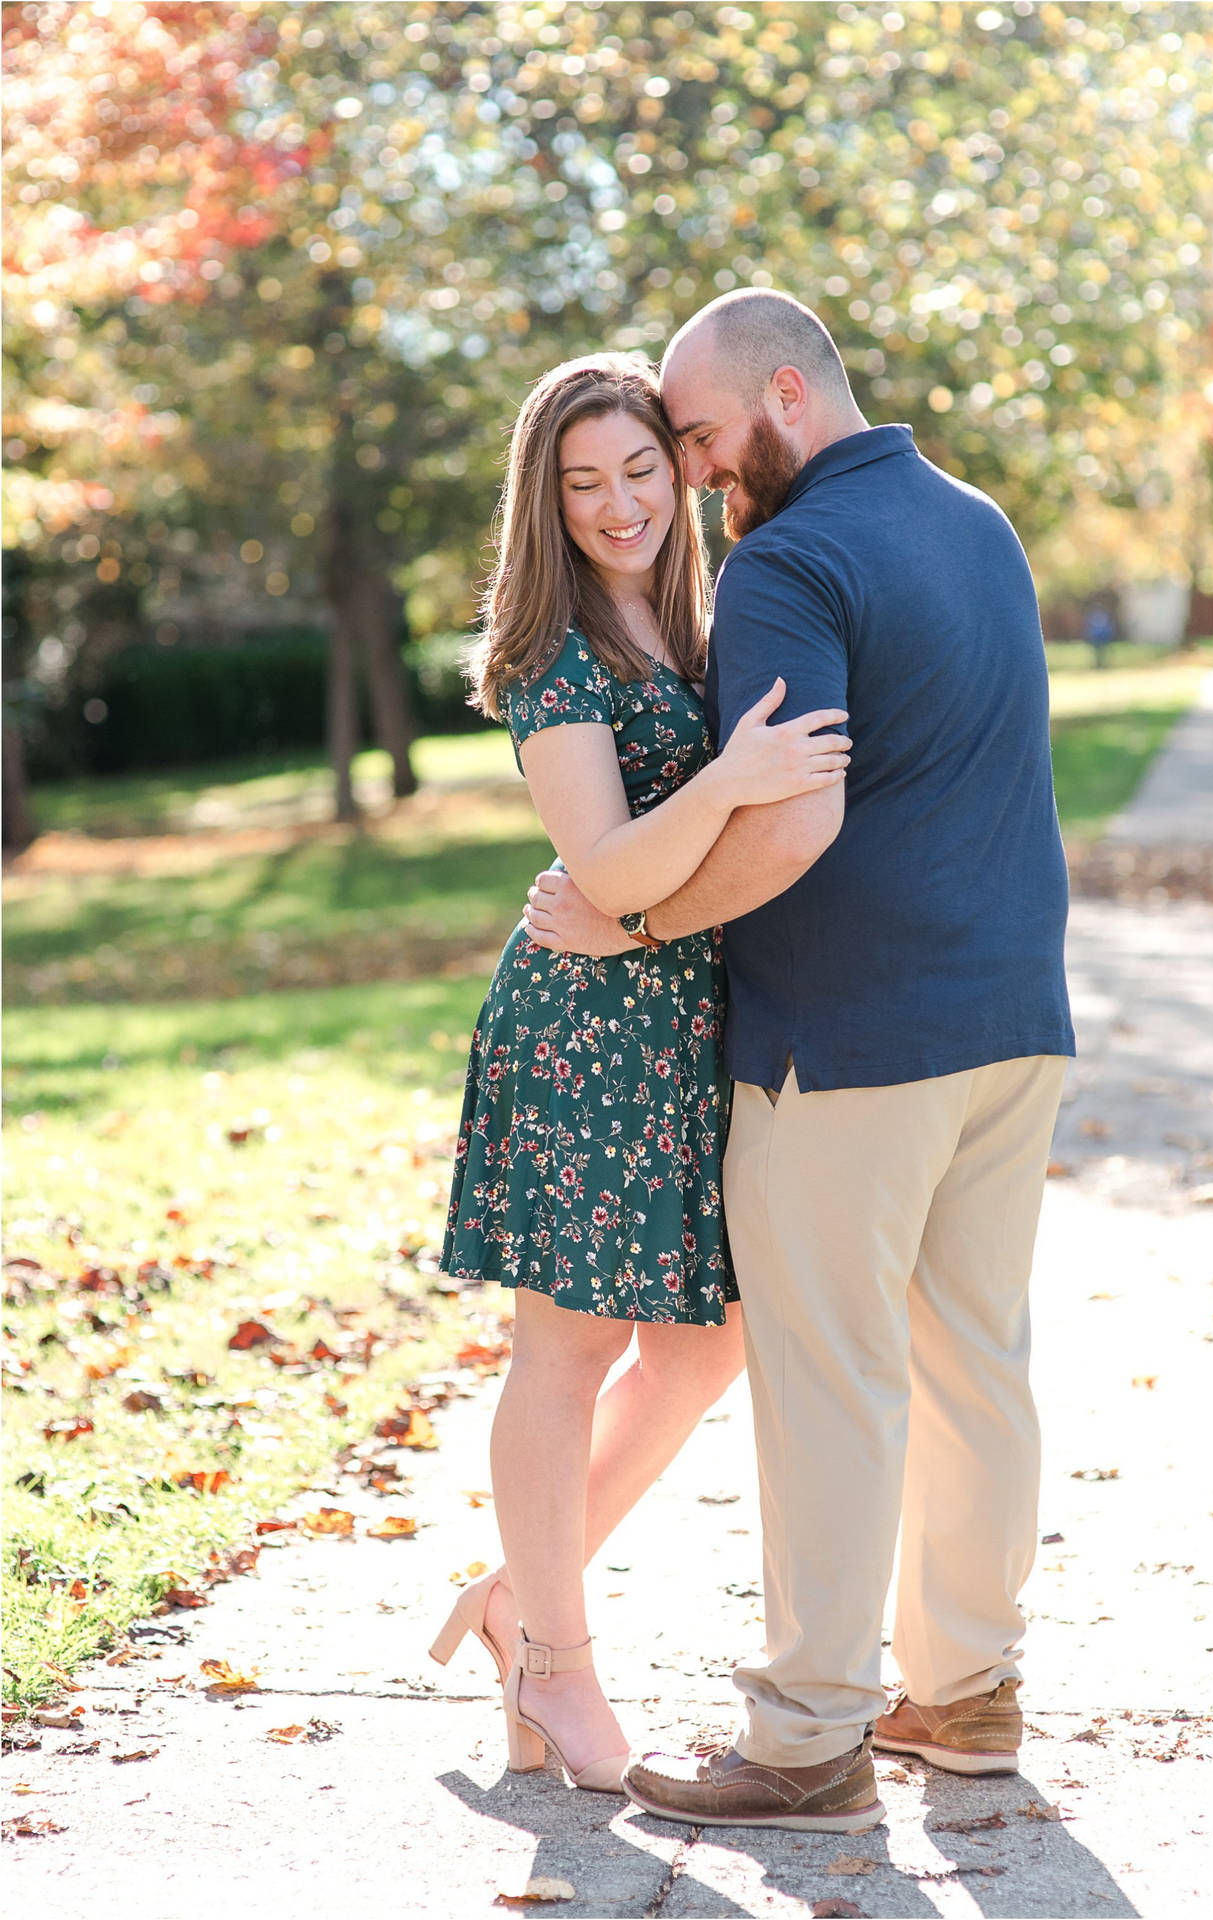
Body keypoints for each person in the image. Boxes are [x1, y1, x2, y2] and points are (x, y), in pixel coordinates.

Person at [522, 290, 1075, 1834]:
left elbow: (794, 819)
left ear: (783, 395)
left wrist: (633, 931)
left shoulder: (788, 562)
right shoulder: (979, 522)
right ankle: (967, 1696)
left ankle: (810, 1739)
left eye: (698, 438)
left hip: (847, 1044)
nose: (695, 476)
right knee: (981, 1367)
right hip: (1016, 1023)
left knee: (834, 1384)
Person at [428, 353, 851, 1796]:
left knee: (703, 1341)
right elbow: (603, 869)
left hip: (685, 1018)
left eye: (639, 472)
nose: (619, 505)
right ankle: (558, 1670)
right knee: (568, 1349)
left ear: (680, 471)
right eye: (584, 482)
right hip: (588, 1026)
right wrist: (727, 783)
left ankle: (515, 1598)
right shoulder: (554, 650)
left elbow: (642, 881)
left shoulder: (703, 618)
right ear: (546, 503)